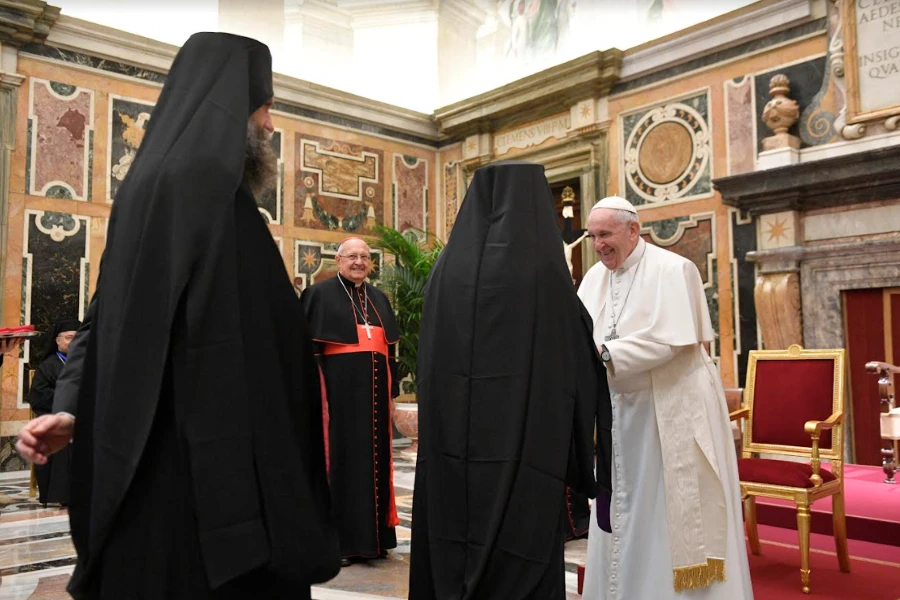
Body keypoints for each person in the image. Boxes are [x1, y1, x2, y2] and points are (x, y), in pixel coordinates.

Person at [16, 33, 340, 599]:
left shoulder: (147, 193)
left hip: (155, 488)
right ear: (231, 107)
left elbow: (108, 323)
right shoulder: (211, 203)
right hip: (215, 506)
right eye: (263, 105)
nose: (269, 123)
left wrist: (78, 411)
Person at [409, 162, 613, 599]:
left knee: (452, 532)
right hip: (523, 443)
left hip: (451, 444)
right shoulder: (542, 272)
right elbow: (575, 358)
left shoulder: (446, 271)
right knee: (518, 543)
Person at [578, 196, 753, 600]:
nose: (599, 244)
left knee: (667, 511)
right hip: (619, 413)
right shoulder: (593, 278)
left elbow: (669, 341)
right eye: (593, 236)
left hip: (671, 407)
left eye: (605, 234)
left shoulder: (674, 269)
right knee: (624, 510)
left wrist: (604, 354)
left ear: (633, 229)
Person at [300, 237, 401, 567]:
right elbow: (308, 352)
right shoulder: (319, 295)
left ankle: (376, 540)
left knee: (377, 461)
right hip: (339, 400)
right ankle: (341, 543)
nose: (359, 262)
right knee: (343, 462)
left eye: (365, 257)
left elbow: (390, 353)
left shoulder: (379, 298)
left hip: (376, 396)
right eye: (352, 256)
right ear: (338, 260)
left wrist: (394, 391)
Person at [26, 318, 80, 505]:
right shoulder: (48, 365)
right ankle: (64, 494)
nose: (74, 342)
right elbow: (38, 396)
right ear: (58, 341)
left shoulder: (88, 362)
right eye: (69, 338)